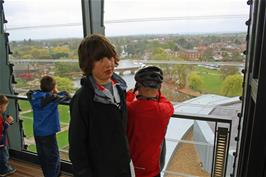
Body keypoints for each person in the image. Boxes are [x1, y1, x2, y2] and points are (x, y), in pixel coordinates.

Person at [68, 34, 133, 177]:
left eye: (110, 57)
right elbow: (77, 146)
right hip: (99, 170)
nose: (108, 64)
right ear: (88, 63)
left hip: (122, 166)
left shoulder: (120, 89)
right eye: (99, 59)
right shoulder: (82, 99)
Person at [126, 66, 174, 177]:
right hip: (153, 170)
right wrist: (159, 95)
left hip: (131, 168)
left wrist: (130, 95)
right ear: (158, 89)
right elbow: (167, 103)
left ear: (139, 87)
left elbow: (125, 104)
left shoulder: (130, 108)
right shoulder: (164, 110)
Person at [27, 76, 71, 177]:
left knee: (43, 157)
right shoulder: (52, 98)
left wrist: (47, 91)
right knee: (53, 157)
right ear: (53, 87)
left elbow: (29, 92)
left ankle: (48, 174)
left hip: (37, 132)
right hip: (48, 133)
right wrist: (56, 91)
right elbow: (66, 95)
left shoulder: (34, 96)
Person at [0, 95, 16, 177]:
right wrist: (7, 123)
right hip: (1, 142)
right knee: (4, 156)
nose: (6, 109)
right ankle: (4, 170)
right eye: (5, 107)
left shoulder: (1, 114)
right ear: (0, 107)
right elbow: (1, 130)